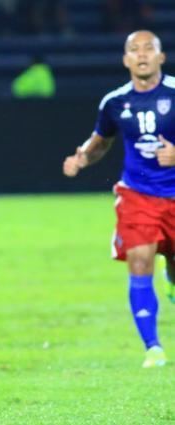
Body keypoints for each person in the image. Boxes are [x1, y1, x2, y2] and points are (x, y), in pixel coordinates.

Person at [62, 30, 174, 368]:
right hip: (138, 195)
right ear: (126, 59)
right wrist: (81, 157)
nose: (141, 55)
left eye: (148, 49)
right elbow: (101, 141)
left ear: (161, 57)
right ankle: (152, 348)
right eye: (134, 50)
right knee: (140, 260)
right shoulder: (114, 102)